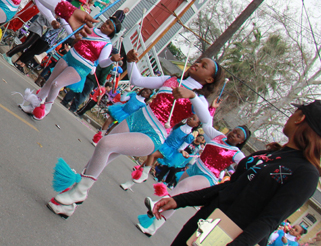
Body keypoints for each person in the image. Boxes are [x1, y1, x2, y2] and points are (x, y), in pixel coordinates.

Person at [132, 101, 321, 246]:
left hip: (227, 243)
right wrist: (179, 200)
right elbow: (227, 188)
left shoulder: (307, 173)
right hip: (204, 225)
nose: (291, 116)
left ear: (300, 117)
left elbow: (270, 220)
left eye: (295, 112)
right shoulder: (270, 155)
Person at [47, 51, 225, 218]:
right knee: (99, 158)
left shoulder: (199, 100)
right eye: (199, 61)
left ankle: (80, 192)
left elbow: (206, 121)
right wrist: (132, 62)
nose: (197, 63)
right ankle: (69, 205)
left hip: (154, 134)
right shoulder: (171, 80)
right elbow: (137, 80)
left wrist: (192, 96)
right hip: (136, 119)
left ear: (209, 79)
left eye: (204, 66)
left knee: (105, 144)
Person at [136, 124, 250, 236]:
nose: (233, 135)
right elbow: (206, 123)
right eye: (234, 131)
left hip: (208, 177)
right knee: (177, 198)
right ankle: (152, 228)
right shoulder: (219, 136)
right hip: (194, 169)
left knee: (184, 186)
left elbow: (248, 169)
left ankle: (156, 204)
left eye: (238, 136)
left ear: (241, 142)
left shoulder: (237, 153)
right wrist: (212, 108)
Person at [21, 19, 121, 121]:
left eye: (110, 27)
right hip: (69, 57)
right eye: (107, 22)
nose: (106, 25)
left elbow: (102, 63)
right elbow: (76, 38)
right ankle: (33, 105)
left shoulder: (107, 45)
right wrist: (76, 38)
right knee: (49, 81)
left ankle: (46, 108)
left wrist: (111, 59)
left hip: (82, 67)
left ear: (112, 32)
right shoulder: (92, 29)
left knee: (56, 84)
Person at [119, 112, 201, 190]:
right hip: (163, 144)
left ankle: (145, 174)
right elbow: (169, 134)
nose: (190, 119)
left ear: (196, 124)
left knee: (152, 154)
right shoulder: (179, 125)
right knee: (145, 164)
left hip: (170, 152)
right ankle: (129, 183)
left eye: (193, 119)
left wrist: (183, 152)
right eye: (191, 116)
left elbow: (181, 148)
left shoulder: (189, 135)